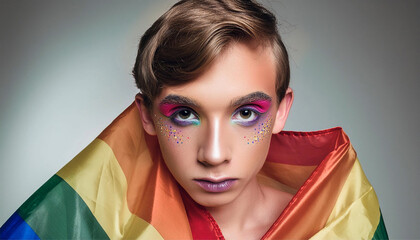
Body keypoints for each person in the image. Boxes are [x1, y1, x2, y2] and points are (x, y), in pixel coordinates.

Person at [0, 0, 388, 239]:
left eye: (246, 113)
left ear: (282, 111)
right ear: (147, 116)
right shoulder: (98, 225)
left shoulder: (341, 226)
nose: (214, 154)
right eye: (184, 114)